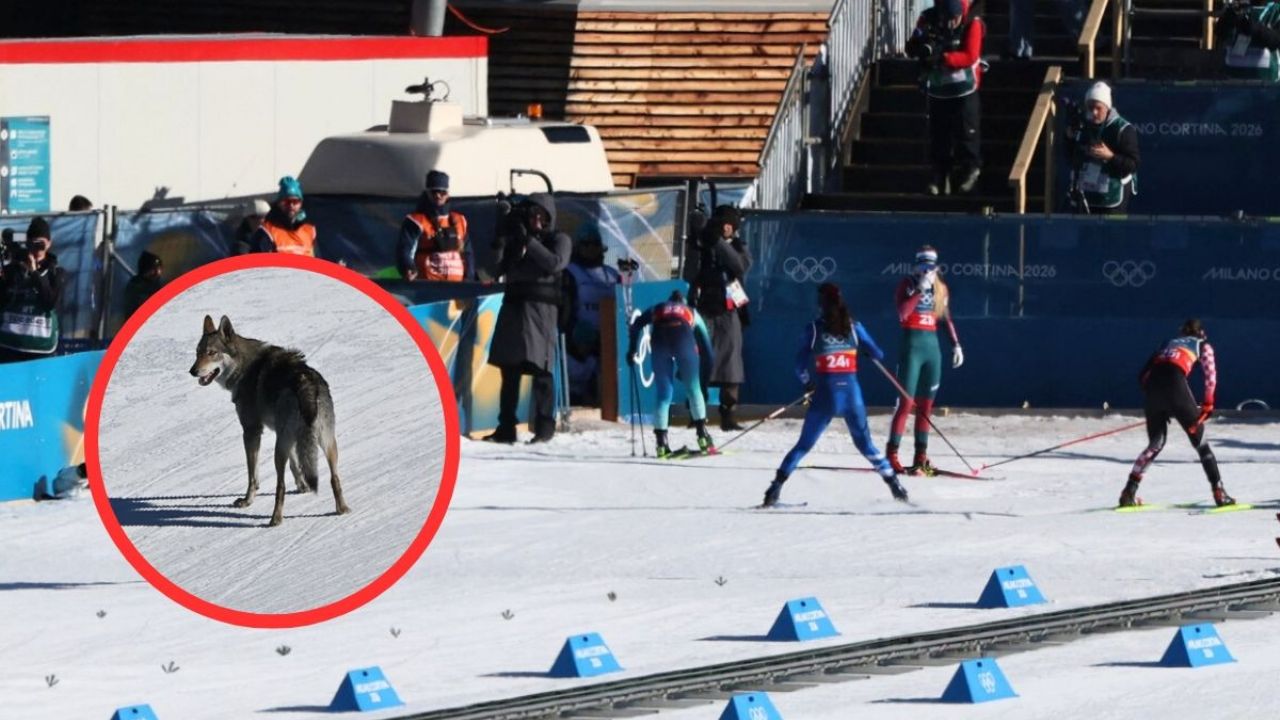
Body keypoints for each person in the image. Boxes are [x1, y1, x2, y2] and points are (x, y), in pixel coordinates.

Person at [763, 283, 909, 507]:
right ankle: (895, 486)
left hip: (825, 394)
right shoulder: (854, 327)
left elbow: (799, 367)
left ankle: (774, 490)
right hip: (852, 394)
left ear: (820, 304)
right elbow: (878, 353)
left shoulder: (813, 329)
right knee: (866, 445)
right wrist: (868, 352)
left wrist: (808, 384)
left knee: (803, 445)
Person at [484, 193, 572, 444]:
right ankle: (506, 427)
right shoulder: (517, 241)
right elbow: (494, 269)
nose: (535, 220)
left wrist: (529, 242)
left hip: (541, 313)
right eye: (532, 214)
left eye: (540, 215)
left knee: (541, 370)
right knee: (509, 371)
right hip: (514, 310)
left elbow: (554, 263)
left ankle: (544, 427)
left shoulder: (559, 239)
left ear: (548, 217)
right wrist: (502, 237)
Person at [1120, 319, 1234, 508]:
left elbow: (1143, 376)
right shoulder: (1202, 345)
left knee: (1155, 445)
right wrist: (1208, 404)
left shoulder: (1168, 343)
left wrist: (1158, 404)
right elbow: (1210, 376)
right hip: (1175, 386)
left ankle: (1128, 493)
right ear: (1202, 334)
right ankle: (1219, 494)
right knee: (1201, 444)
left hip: (1152, 389)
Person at [885, 246, 962, 476]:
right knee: (906, 403)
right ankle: (892, 455)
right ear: (916, 266)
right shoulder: (907, 284)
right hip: (912, 348)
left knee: (926, 406)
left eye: (931, 267)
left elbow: (945, 317)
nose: (928, 271)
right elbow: (903, 313)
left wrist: (955, 344)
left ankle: (921, 456)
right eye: (923, 266)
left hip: (932, 349)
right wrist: (919, 289)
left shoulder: (941, 288)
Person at [906, 0, 986, 196]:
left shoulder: (972, 23)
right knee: (938, 134)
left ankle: (969, 173)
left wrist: (945, 58)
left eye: (955, 18)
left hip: (964, 88)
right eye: (947, 18)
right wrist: (920, 50)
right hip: (938, 88)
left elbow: (970, 56)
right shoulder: (928, 19)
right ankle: (940, 176)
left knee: (966, 132)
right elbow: (915, 45)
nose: (951, 23)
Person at [627, 290, 716, 457]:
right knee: (694, 390)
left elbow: (636, 324)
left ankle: (661, 445)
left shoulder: (657, 308)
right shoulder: (691, 312)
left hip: (660, 341)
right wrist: (704, 382)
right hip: (683, 339)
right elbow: (708, 352)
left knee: (663, 394)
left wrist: (631, 350)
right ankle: (703, 437)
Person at [686, 205, 751, 431]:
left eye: (728, 225)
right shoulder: (703, 245)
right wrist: (698, 236)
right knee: (699, 361)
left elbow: (740, 265)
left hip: (729, 309)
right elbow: (690, 270)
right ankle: (697, 413)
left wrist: (718, 243)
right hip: (704, 307)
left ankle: (728, 414)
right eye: (721, 224)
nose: (724, 228)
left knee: (730, 363)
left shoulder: (737, 246)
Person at [562, 224, 622, 405]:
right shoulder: (570, 273)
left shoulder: (612, 275)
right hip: (579, 344)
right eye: (586, 244)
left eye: (595, 244)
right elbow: (564, 309)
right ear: (578, 247)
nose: (591, 248)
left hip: (609, 342)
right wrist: (572, 335)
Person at [1067, 81, 1140, 215]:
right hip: (1087, 194)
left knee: (1113, 234)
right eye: (1090, 107)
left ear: (1107, 107)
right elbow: (1070, 156)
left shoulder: (1123, 129)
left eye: (1098, 108)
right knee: (1086, 234)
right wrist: (1070, 138)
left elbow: (1133, 164)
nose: (1093, 112)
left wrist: (1110, 156)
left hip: (1112, 197)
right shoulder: (1082, 126)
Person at [0, 217, 67, 362]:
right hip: (8, 345)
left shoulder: (56, 273)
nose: (37, 250)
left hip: (41, 348)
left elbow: (50, 302)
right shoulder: (13, 269)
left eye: (40, 245)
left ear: (49, 244)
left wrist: (35, 273)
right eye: (32, 244)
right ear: (27, 243)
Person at [396, 170, 472, 282]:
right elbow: (404, 250)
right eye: (434, 192)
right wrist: (408, 267)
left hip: (457, 286)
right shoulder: (416, 221)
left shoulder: (460, 220)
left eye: (442, 192)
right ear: (427, 193)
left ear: (448, 194)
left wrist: (469, 277)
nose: (438, 195)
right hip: (429, 286)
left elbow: (468, 253)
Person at [248, 176, 316, 256]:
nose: (291, 205)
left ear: (300, 203)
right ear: (279, 203)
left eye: (295, 201)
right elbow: (258, 263)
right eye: (287, 202)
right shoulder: (267, 231)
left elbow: (315, 261)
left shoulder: (309, 230)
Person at [1221, 0, 1280, 80]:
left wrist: (1252, 28)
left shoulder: (1276, 10)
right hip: (1233, 80)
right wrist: (1229, 16)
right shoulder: (1238, 8)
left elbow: (1275, 40)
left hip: (1267, 83)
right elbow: (1220, 33)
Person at [122, 251, 165, 319]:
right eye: (153, 269)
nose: (157, 272)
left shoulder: (156, 285)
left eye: (159, 269)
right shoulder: (137, 286)